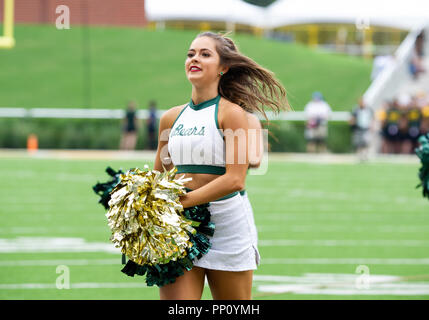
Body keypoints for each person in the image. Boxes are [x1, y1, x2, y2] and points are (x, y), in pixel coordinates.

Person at [153, 31, 288, 300]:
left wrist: (184, 202)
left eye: (205, 54)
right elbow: (159, 175)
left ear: (223, 68)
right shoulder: (170, 119)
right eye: (191, 54)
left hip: (227, 226)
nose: (195, 58)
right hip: (181, 228)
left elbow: (235, 179)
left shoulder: (232, 114)